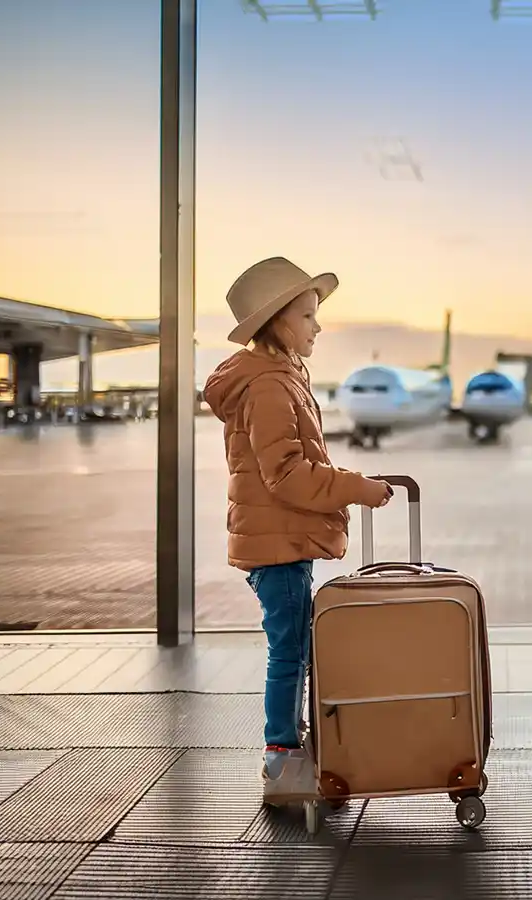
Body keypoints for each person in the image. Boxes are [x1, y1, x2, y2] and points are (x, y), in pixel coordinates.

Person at [203, 256, 393, 806]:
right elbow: (285, 474)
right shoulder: (267, 386)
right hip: (279, 542)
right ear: (279, 322)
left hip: (281, 538)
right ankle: (281, 758)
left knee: (297, 646)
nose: (317, 326)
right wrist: (357, 487)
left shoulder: (280, 379)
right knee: (289, 650)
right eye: (308, 315)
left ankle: (290, 749)